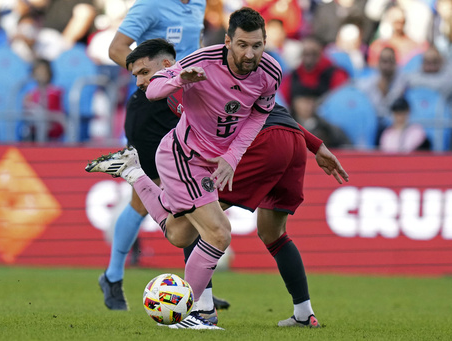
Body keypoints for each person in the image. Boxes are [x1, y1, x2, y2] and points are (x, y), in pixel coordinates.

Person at [86, 40, 349, 329]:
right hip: (291, 143)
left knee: (189, 228)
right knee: (272, 232)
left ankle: (201, 310)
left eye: (143, 73)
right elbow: (266, 109)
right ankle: (303, 313)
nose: (140, 82)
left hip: (260, 148)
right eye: (136, 76)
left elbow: (240, 119)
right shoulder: (208, 78)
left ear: (165, 66)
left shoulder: (191, 85)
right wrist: (315, 145)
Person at [89, 7, 282, 330]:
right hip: (181, 155)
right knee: (219, 232)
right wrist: (179, 78)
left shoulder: (271, 72)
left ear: (265, 42)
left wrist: (232, 156)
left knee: (181, 235)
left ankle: (133, 172)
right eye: (242, 45)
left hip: (209, 158)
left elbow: (258, 116)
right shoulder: (201, 60)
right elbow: (151, 89)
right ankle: (193, 311)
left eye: (257, 45)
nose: (250, 54)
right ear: (227, 41)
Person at [96, 0, 210, 314]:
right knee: (144, 199)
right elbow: (117, 48)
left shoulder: (198, 4)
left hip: (183, 106)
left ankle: (200, 290)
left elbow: (192, 48)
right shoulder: (150, 5)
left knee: (192, 194)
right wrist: (156, 78)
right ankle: (113, 275)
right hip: (151, 109)